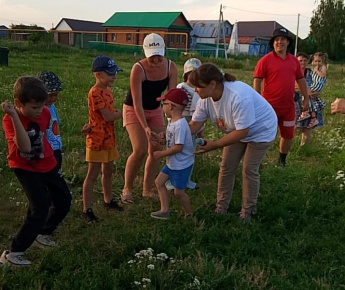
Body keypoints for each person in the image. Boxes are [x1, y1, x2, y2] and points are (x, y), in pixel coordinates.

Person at [188, 63, 277, 221]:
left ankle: (248, 210)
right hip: (236, 130)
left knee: (249, 169)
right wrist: (172, 135)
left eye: (198, 86)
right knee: (226, 166)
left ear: (212, 84)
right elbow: (194, 125)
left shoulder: (237, 96)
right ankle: (221, 206)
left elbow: (244, 131)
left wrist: (215, 144)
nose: (195, 90)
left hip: (261, 130)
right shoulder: (204, 99)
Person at [0, 76, 71, 266]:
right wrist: (15, 116)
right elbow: (24, 147)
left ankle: (43, 233)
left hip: (48, 163)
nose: (40, 111)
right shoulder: (9, 119)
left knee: (64, 200)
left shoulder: (45, 112)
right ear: (18, 103)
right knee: (38, 207)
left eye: (42, 106)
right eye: (34, 107)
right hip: (25, 168)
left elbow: (44, 136)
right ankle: (13, 253)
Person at [122, 33, 177, 204]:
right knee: (139, 149)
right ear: (145, 53)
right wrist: (146, 128)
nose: (156, 60)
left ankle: (147, 189)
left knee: (157, 148)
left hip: (154, 109)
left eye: (159, 55)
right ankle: (127, 189)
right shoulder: (138, 69)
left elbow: (171, 97)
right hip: (133, 108)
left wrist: (172, 122)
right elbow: (137, 103)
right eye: (152, 57)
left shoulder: (171, 67)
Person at [253, 27, 310, 166]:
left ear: (288, 42)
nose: (280, 42)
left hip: (288, 106)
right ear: (273, 43)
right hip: (269, 107)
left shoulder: (294, 61)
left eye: (283, 39)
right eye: (277, 40)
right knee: (263, 135)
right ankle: (257, 161)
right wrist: (257, 100)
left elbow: (301, 80)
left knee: (288, 134)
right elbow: (257, 79)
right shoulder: (265, 60)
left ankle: (282, 160)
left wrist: (306, 98)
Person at [82, 55, 124, 223]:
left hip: (109, 139)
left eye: (115, 73)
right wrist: (124, 113)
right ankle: (87, 209)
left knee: (108, 171)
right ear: (98, 75)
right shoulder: (95, 93)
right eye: (110, 73)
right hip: (97, 141)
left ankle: (108, 200)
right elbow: (107, 116)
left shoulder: (107, 90)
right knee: (92, 175)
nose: (114, 76)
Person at [150, 88, 194, 220]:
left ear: (171, 106)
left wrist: (161, 154)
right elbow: (170, 142)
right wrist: (160, 138)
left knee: (179, 193)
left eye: (163, 104)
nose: (162, 107)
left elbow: (178, 147)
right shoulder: (172, 122)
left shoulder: (180, 125)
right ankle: (164, 211)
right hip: (172, 163)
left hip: (182, 165)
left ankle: (189, 214)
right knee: (159, 182)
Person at [295, 52, 326, 145]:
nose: (303, 63)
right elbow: (292, 85)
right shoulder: (292, 72)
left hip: (310, 102)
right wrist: (306, 91)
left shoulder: (311, 72)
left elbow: (318, 83)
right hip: (296, 101)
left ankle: (304, 148)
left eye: (305, 61)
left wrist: (316, 92)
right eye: (300, 61)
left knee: (307, 127)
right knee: (293, 126)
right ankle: (289, 148)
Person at [37, 71, 63, 172]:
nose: (55, 98)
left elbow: (56, 125)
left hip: (56, 147)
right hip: (45, 150)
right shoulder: (38, 110)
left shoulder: (52, 107)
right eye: (51, 95)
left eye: (56, 95)